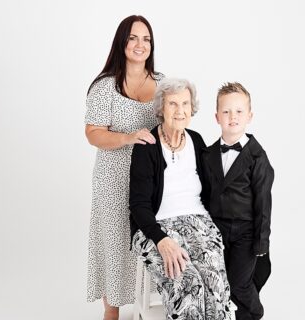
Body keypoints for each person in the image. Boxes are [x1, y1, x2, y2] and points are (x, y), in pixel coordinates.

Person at [129, 78, 232, 320]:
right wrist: (161, 240)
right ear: (161, 109)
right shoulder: (147, 146)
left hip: (198, 223)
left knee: (214, 283)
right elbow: (139, 204)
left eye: (185, 103)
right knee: (187, 283)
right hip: (155, 227)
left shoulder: (196, 141)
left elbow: (211, 190)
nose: (180, 110)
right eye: (173, 104)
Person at [85, 15, 164, 320]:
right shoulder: (105, 87)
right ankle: (112, 312)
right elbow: (93, 133)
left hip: (150, 181)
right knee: (115, 243)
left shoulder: (161, 84)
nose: (140, 45)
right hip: (113, 179)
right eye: (133, 38)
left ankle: (148, 306)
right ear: (122, 42)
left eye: (146, 39)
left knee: (146, 243)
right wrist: (128, 137)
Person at [202, 82, 274, 320]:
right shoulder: (208, 154)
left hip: (246, 232)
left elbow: (263, 203)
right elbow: (204, 194)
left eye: (239, 111)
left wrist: (261, 243)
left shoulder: (257, 157)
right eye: (226, 111)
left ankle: (254, 313)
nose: (232, 117)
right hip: (216, 230)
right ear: (216, 117)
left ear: (249, 116)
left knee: (238, 282)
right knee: (219, 282)